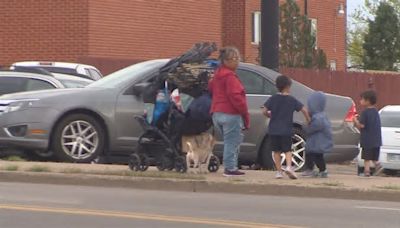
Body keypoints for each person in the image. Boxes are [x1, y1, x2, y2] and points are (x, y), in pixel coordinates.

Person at [208, 47, 250, 177]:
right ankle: (230, 168)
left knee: (229, 140)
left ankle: (230, 166)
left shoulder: (217, 75)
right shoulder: (230, 77)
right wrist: (245, 114)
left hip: (216, 112)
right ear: (226, 61)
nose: (238, 62)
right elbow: (235, 96)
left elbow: (210, 88)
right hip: (230, 113)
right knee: (232, 141)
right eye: (235, 59)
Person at [263, 75, 310, 179]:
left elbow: (264, 110)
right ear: (288, 86)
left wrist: (269, 115)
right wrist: (308, 119)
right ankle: (289, 167)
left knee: (276, 151)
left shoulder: (273, 98)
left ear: (277, 86)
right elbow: (304, 110)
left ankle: (279, 171)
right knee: (288, 150)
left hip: (273, 130)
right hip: (286, 130)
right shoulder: (291, 100)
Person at [302, 91, 333, 178]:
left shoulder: (318, 117)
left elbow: (312, 128)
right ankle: (322, 170)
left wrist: (306, 125)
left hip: (316, 143)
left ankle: (311, 169)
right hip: (316, 142)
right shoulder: (322, 116)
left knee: (312, 156)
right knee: (318, 157)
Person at [353, 90, 382, 177]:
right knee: (373, 156)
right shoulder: (376, 112)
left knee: (367, 158)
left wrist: (355, 121)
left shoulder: (365, 112)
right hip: (376, 139)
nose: (360, 101)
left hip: (367, 139)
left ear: (367, 101)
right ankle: (377, 164)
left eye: (362, 99)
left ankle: (367, 171)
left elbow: (362, 125)